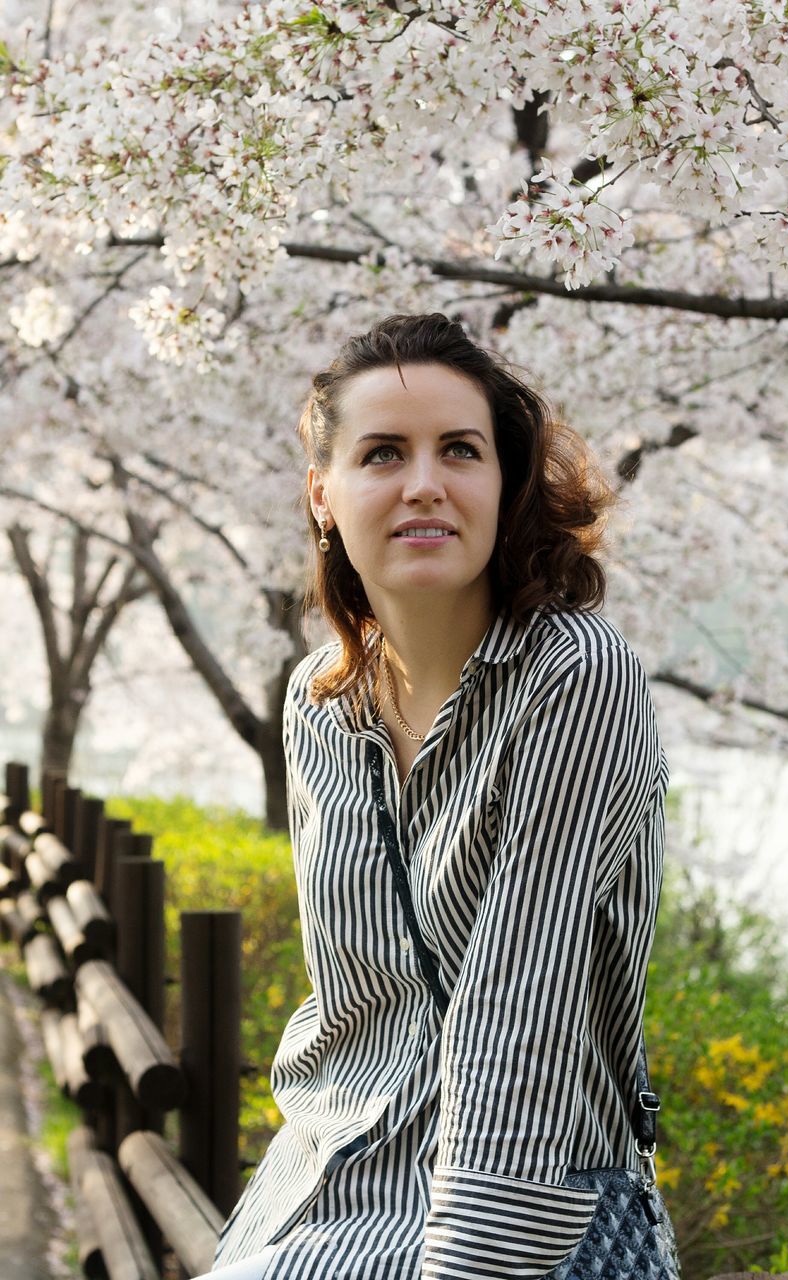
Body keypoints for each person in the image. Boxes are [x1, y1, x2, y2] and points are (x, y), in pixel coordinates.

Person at [209, 313, 669, 1280]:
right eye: (383, 453)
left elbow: (521, 1004)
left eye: (460, 450)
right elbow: (352, 994)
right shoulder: (317, 701)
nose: (425, 483)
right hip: (319, 1180)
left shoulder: (574, 677)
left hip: (515, 1205)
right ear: (323, 496)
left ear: (503, 485)